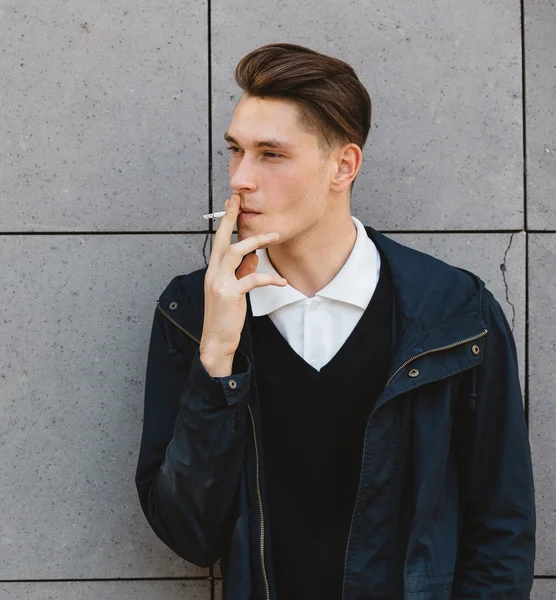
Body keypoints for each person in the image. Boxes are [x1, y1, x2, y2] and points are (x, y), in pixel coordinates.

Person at [135, 43, 535, 600]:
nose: (240, 179)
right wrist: (217, 357)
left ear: (342, 166)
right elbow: (190, 534)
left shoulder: (453, 311)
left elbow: (502, 527)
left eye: (270, 155)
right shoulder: (193, 312)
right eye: (235, 151)